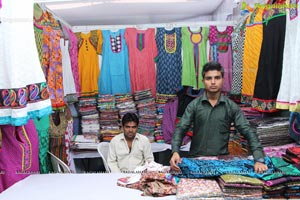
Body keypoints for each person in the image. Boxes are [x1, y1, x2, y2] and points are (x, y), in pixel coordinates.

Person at [170, 61, 268, 173]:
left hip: (222, 162)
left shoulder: (231, 106)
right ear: (203, 81)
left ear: (222, 80)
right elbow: (181, 128)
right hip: (196, 161)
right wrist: (175, 151)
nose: (213, 82)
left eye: (217, 78)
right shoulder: (194, 105)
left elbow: (248, 131)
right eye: (208, 78)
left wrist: (259, 158)